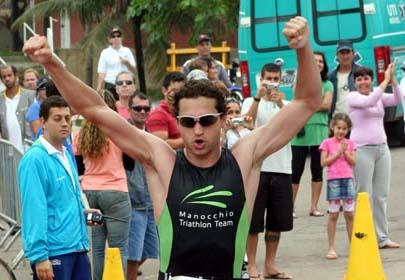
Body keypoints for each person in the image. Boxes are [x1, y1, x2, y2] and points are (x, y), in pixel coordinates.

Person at [23, 16, 321, 279]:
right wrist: (52, 63)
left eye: (206, 120)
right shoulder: (162, 160)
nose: (198, 130)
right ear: (177, 123)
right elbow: (93, 108)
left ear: (222, 120)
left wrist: (303, 49)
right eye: (188, 122)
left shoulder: (245, 157)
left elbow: (307, 102)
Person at [18, 95, 91, 280]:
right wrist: (40, 257)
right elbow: (34, 210)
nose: (65, 123)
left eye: (67, 118)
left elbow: (63, 200)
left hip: (78, 247)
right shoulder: (34, 159)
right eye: (57, 119)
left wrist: (83, 212)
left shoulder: (65, 152)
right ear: (43, 122)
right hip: (55, 253)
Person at [73, 90, 132, 280]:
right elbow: (130, 163)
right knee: (118, 247)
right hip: (116, 192)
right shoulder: (118, 131)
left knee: (97, 247)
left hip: (91, 193)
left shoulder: (82, 132)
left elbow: (79, 164)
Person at [241, 63, 293, 279]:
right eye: (268, 78)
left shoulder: (287, 103)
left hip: (282, 167)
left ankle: (270, 264)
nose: (272, 82)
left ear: (280, 79)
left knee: (277, 221)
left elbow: (292, 125)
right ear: (260, 78)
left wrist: (279, 101)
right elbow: (246, 124)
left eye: (275, 78)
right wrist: (257, 98)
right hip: (258, 168)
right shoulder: (249, 101)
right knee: (254, 222)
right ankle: (251, 264)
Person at [347, 64, 401, 249]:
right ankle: (362, 236)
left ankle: (382, 238)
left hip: (382, 148)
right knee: (362, 194)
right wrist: (384, 81)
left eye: (366, 78)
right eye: (359, 79)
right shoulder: (352, 97)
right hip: (362, 150)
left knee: (381, 195)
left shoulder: (378, 96)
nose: (363, 82)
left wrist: (393, 81)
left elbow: (396, 99)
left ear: (371, 80)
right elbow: (368, 102)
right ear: (355, 82)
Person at [291, 51, 333, 217]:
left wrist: (308, 103)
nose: (318, 64)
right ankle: (290, 207)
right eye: (314, 61)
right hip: (300, 130)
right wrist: (317, 102)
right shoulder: (300, 81)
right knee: (296, 171)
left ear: (324, 65)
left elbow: (327, 105)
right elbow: (298, 102)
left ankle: (314, 207)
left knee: (317, 170)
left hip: (319, 131)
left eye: (321, 61)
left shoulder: (328, 84)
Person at [126, 92, 159, 280]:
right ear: (129, 110)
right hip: (131, 199)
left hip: (149, 200)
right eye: (138, 108)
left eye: (146, 108)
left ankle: (118, 272)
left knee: (149, 250)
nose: (142, 112)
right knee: (133, 254)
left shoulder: (149, 134)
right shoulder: (124, 133)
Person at [319, 113, 356, 260]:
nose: (341, 131)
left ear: (348, 130)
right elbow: (324, 163)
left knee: (349, 214)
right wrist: (339, 152)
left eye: (344, 129)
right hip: (333, 181)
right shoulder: (326, 143)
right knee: (333, 214)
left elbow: (353, 162)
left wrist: (345, 152)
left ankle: (353, 245)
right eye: (338, 128)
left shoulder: (350, 143)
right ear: (332, 127)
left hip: (347, 180)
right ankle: (331, 247)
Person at [0, 64, 35, 152]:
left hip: (30, 150)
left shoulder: (31, 95)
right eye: (4, 77)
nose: (7, 79)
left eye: (9, 75)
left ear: (16, 76)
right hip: (8, 154)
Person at [146, 72, 185, 149]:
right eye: (174, 90)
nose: (179, 94)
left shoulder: (183, 111)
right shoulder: (158, 115)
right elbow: (161, 145)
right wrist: (190, 140)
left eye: (182, 90)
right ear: (164, 90)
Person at [96, 27, 136, 94]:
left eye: (118, 36)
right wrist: (98, 88)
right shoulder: (105, 52)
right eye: (113, 36)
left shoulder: (127, 51)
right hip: (110, 85)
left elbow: (133, 70)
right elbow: (101, 72)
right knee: (110, 104)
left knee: (126, 104)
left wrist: (127, 63)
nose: (116, 38)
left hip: (125, 84)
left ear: (121, 38)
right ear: (109, 39)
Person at [328, 40, 361, 119]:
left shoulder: (361, 72)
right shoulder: (330, 76)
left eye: (348, 52)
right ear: (337, 55)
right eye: (342, 53)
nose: (345, 56)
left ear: (353, 54)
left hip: (358, 120)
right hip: (337, 123)